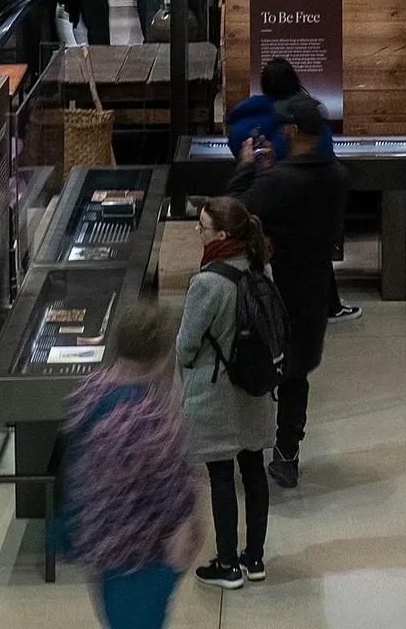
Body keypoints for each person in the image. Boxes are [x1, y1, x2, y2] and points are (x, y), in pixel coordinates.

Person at [61, 302, 202, 629]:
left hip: (97, 543)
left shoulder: (87, 393)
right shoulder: (152, 418)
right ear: (162, 355)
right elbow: (177, 504)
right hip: (140, 556)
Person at [236, 94, 348, 490]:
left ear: (291, 131)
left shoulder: (277, 181)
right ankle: (287, 454)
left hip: (269, 293)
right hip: (312, 293)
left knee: (253, 369)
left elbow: (233, 214)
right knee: (296, 373)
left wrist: (249, 171)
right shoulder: (335, 175)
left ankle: (247, 450)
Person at [175, 197, 278, 590]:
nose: (197, 233)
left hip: (215, 393)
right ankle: (255, 559)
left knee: (221, 476)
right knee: (253, 470)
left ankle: (228, 564)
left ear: (220, 235)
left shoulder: (206, 283)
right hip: (255, 387)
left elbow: (185, 347)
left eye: (202, 228)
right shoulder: (262, 269)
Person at [229, 62, 361, 323]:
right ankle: (328, 307)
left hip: (265, 202)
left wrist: (248, 167)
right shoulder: (331, 171)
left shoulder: (247, 119)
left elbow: (235, 206)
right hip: (300, 213)